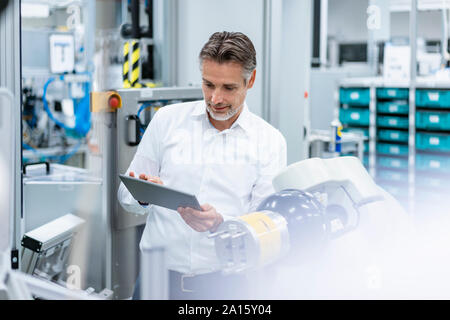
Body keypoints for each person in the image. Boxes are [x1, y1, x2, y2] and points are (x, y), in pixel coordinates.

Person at [118, 31, 287, 300]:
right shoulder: (167, 121)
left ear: (250, 80)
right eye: (208, 84)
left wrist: (221, 223)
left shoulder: (269, 141)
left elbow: (264, 226)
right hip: (155, 281)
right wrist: (146, 194)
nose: (215, 99)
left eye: (228, 88)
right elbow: (125, 194)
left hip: (225, 287)